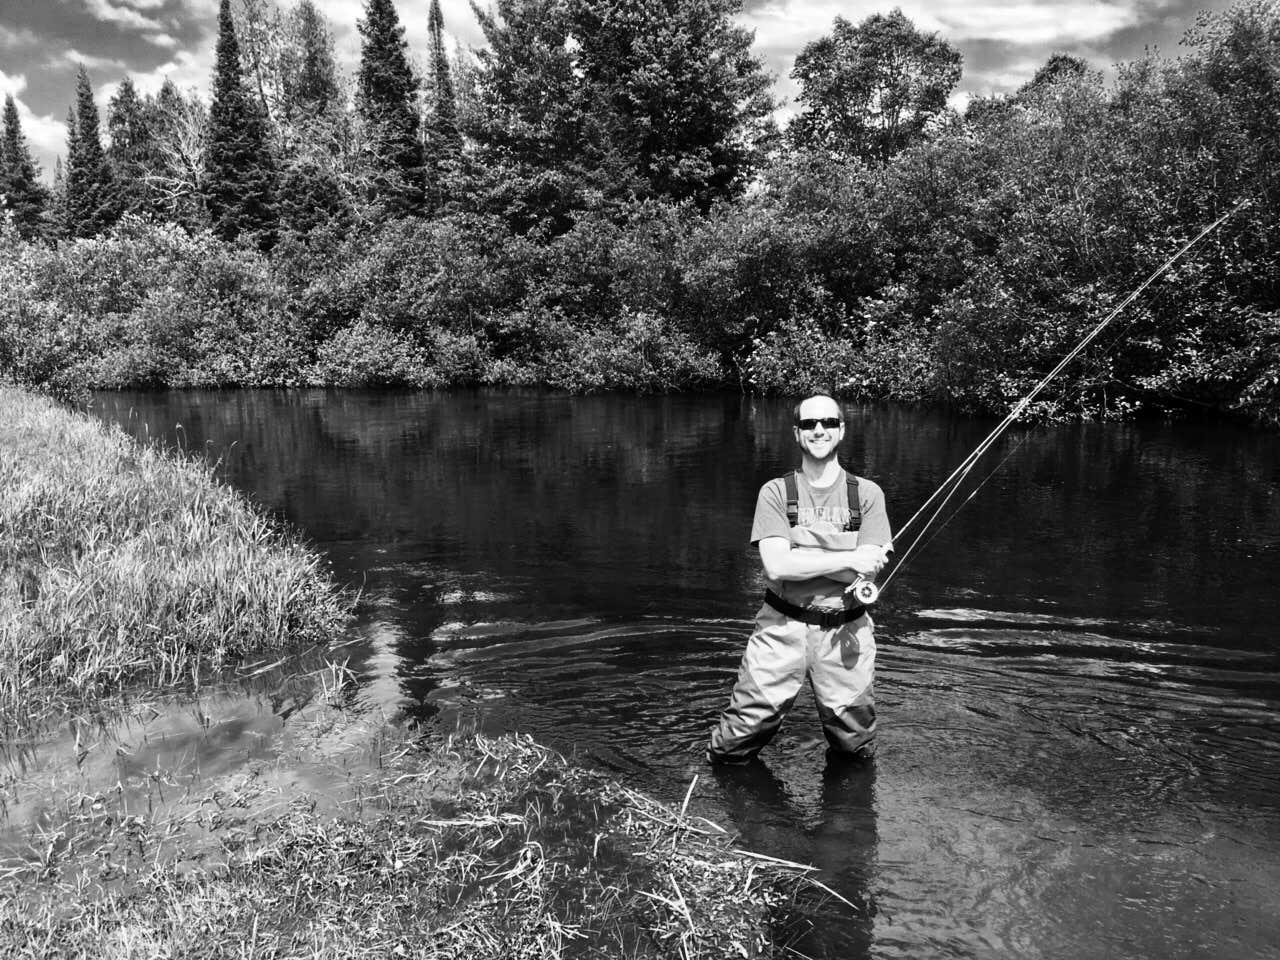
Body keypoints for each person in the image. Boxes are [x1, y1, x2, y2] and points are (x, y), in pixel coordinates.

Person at [708, 391, 892, 764]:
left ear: (841, 430)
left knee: (853, 749)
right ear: (797, 433)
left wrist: (803, 557)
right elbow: (776, 567)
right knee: (733, 746)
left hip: (847, 636)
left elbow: (870, 566)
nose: (819, 430)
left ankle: (846, 819)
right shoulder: (775, 492)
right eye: (809, 424)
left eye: (828, 423)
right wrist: (849, 559)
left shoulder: (868, 495)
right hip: (780, 631)